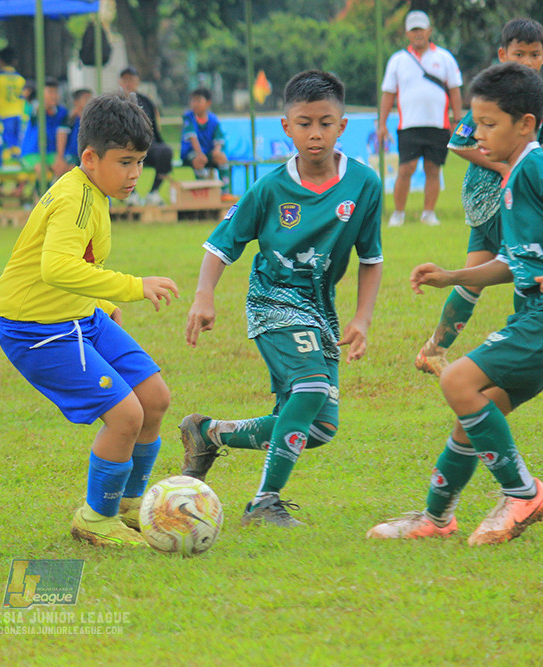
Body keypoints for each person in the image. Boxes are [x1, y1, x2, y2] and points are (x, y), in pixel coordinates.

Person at [180, 70, 383, 528]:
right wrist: (203, 296)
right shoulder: (270, 188)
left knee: (318, 428)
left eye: (326, 123)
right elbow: (221, 244)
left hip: (321, 308)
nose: (316, 133)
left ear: (343, 126)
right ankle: (263, 503)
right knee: (310, 387)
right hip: (272, 299)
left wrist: (363, 318)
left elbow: (371, 257)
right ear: (286, 127)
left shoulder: (365, 185)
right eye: (305, 123)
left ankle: (208, 433)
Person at [0, 93, 179, 547]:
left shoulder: (95, 190)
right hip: (36, 330)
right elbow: (55, 268)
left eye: (140, 162)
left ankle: (131, 507)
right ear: (90, 157)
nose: (135, 173)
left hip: (79, 317)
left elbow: (78, 264)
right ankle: (95, 518)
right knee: (125, 415)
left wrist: (99, 302)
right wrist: (132, 287)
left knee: (154, 398)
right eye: (126, 162)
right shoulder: (75, 199)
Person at [369, 62, 543, 545]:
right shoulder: (516, 174)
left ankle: (523, 493)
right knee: (479, 411)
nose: (478, 135)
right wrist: (453, 277)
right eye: (476, 122)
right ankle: (436, 518)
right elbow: (512, 261)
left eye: (490, 124)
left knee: (457, 379)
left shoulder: (535, 165)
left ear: (525, 123)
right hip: (529, 315)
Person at [414, 18, 543, 376]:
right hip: (495, 200)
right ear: (503, 55)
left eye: (535, 54)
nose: (528, 62)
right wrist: (506, 170)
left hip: (502, 200)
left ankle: (433, 349)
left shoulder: (528, 100)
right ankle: (527, 340)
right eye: (520, 54)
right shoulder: (497, 99)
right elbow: (457, 142)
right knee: (526, 267)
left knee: (473, 279)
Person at [377, 10, 462, 227]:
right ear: (407, 33)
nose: (418, 34)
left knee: (433, 169)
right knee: (406, 168)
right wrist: (382, 123)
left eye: (421, 29)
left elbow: (454, 90)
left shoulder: (444, 58)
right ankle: (398, 213)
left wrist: (457, 119)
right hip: (409, 125)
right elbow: (388, 93)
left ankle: (429, 213)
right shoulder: (398, 60)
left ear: (429, 31)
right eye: (413, 30)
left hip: (438, 124)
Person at [118, 66, 173, 207]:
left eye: (132, 79)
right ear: (120, 82)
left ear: (137, 82)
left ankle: (153, 193)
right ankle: (131, 194)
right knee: (120, 154)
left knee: (165, 152)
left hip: (147, 145)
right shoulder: (114, 102)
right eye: (126, 80)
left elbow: (154, 127)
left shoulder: (146, 102)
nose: (129, 83)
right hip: (124, 146)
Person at [17, 78, 68, 189]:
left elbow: (62, 133)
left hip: (50, 153)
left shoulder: (62, 112)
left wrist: (60, 157)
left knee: (63, 168)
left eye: (56, 92)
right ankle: (39, 199)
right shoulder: (33, 108)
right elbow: (35, 110)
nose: (54, 95)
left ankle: (54, 196)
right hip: (32, 153)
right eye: (50, 92)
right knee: (42, 170)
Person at [180, 88, 228, 180]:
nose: (194, 104)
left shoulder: (214, 120)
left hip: (208, 152)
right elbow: (192, 137)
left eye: (198, 101)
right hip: (192, 152)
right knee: (198, 160)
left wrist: (217, 151)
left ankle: (224, 191)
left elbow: (219, 139)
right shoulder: (188, 117)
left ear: (208, 103)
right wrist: (199, 153)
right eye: (193, 100)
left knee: (222, 158)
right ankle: (204, 189)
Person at [0, 47, 26, 160]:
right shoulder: (20, 79)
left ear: (0, 61)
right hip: (18, 115)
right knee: (17, 146)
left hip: (3, 116)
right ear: (15, 61)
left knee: (5, 148)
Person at [53, 88, 93, 177]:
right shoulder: (70, 119)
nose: (90, 101)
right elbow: (61, 136)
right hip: (73, 155)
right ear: (76, 102)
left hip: (89, 154)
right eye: (86, 98)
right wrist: (60, 157)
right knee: (70, 169)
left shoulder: (93, 119)